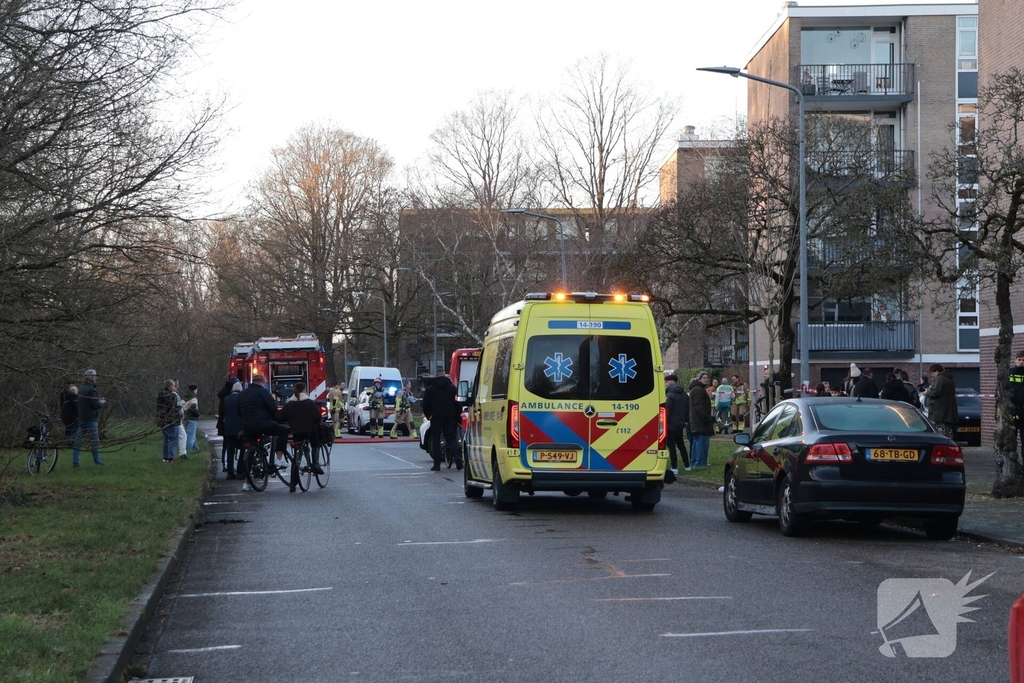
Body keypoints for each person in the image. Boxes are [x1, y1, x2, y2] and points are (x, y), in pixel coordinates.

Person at [238, 374, 290, 491]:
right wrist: (277, 418)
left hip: (248, 426)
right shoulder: (263, 392)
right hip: (263, 423)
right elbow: (273, 408)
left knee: (252, 448)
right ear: (262, 383)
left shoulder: (242, 394)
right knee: (283, 431)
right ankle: (279, 458)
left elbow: (239, 410)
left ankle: (246, 483)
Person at [276, 382, 323, 492]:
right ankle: (315, 464)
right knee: (315, 444)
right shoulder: (309, 403)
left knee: (296, 457)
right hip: (310, 431)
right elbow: (317, 417)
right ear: (304, 390)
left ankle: (293, 484)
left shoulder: (290, 404)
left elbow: (279, 417)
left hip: (296, 432)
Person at [422, 370, 461, 471]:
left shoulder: (430, 389)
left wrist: (429, 416)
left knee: (436, 440)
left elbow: (425, 405)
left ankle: (437, 464)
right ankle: (457, 456)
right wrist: (456, 417)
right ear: (444, 376)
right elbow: (457, 404)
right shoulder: (452, 388)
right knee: (451, 438)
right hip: (450, 417)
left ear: (435, 377)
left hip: (436, 417)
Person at [73, 369, 106, 466]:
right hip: (91, 420)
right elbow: (95, 405)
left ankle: (75, 462)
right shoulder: (91, 389)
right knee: (94, 442)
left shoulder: (82, 388)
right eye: (95, 376)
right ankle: (98, 462)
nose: (96, 378)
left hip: (82, 419)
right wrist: (102, 402)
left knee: (78, 442)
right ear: (91, 378)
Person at [664, 374, 690, 478]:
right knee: (681, 445)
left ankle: (674, 467)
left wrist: (665, 421)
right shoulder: (684, 394)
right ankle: (687, 466)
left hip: (671, 424)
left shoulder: (670, 395)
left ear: (671, 382)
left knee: (671, 446)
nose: (666, 384)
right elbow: (687, 409)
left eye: (666, 382)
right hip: (680, 424)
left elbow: (668, 410)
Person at [925, 363, 958, 439]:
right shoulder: (949, 379)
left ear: (937, 371)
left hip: (939, 412)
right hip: (947, 412)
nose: (932, 375)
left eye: (933, 373)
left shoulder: (940, 378)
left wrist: (927, 392)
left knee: (940, 433)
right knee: (948, 432)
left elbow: (935, 392)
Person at [688, 372, 713, 468]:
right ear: (699, 379)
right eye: (704, 378)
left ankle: (695, 462)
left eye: (707, 378)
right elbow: (699, 406)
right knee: (701, 443)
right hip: (700, 421)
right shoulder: (699, 390)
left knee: (696, 441)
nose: (706, 379)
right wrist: (705, 418)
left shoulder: (695, 389)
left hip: (695, 420)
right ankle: (700, 462)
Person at [216, 376, 239, 472]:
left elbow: (221, 412)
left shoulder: (223, 397)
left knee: (226, 445)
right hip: (228, 423)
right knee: (229, 446)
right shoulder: (228, 398)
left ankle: (226, 465)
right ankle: (227, 465)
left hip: (224, 423)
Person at [222, 381, 243, 478]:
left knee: (230, 450)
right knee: (243, 450)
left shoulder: (226, 399)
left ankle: (230, 472)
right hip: (240, 428)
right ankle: (240, 470)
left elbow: (223, 413)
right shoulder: (242, 398)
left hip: (229, 428)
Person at [156, 379, 182, 463]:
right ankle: (170, 457)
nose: (175, 387)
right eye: (174, 385)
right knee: (173, 439)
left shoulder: (160, 395)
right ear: (170, 386)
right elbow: (174, 408)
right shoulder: (171, 396)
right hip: (172, 420)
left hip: (162, 420)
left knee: (166, 439)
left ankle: (165, 457)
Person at [1009, 350, 1024, 457]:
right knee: (1010, 441)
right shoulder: (1009, 373)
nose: (1022, 362)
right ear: (1015, 360)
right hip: (1012, 410)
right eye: (1019, 360)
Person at [59, 380, 78, 447]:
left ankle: (66, 442)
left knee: (68, 429)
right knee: (74, 430)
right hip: (73, 416)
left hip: (65, 415)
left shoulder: (63, 394)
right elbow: (76, 406)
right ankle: (72, 443)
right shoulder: (73, 396)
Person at [182, 383, 200, 452]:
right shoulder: (194, 398)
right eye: (196, 389)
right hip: (192, 418)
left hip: (185, 417)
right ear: (194, 390)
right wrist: (197, 414)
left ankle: (195, 448)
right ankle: (188, 450)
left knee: (191, 434)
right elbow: (193, 407)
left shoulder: (185, 396)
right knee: (191, 436)